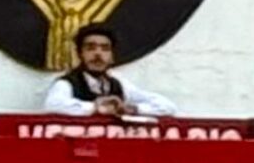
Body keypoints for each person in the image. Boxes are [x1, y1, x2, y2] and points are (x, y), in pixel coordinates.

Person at [44, 25, 179, 115]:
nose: (98, 54)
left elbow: (168, 107)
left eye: (105, 48)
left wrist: (132, 109)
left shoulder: (119, 85)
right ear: (80, 54)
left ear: (112, 56)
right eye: (90, 48)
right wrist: (95, 107)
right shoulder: (67, 83)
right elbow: (53, 105)